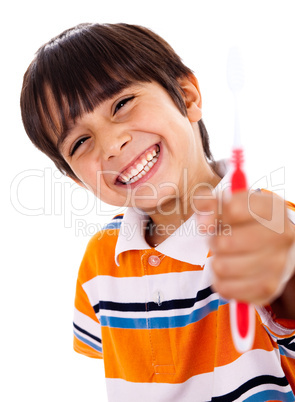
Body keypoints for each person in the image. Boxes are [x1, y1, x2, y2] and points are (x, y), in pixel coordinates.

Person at [20, 23, 295, 401]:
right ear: (76, 179)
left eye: (121, 104)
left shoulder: (269, 226)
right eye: (81, 141)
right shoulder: (99, 262)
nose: (113, 144)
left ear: (186, 96)